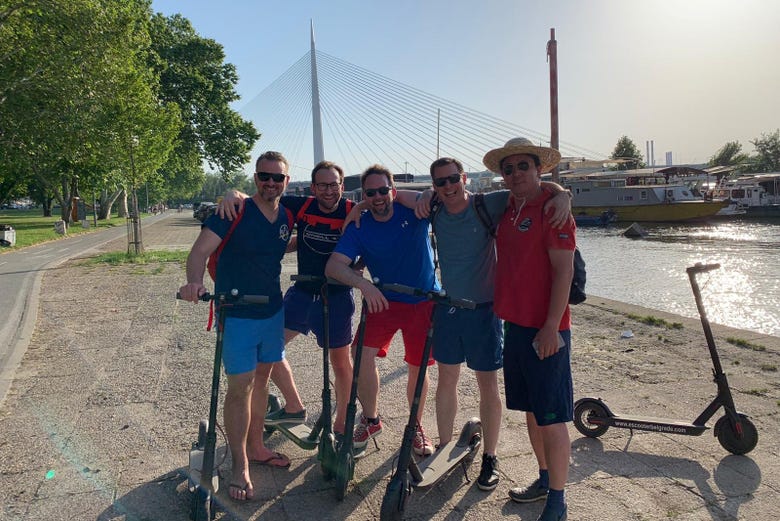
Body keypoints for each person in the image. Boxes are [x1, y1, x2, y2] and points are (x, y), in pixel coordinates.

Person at [377, 158, 570, 491]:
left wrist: (563, 192)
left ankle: (490, 458)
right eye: (440, 182)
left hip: (484, 311)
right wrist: (423, 193)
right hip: (449, 308)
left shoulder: (488, 203)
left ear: (464, 178)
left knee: (487, 384)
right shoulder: (435, 204)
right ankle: (444, 445)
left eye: (453, 179)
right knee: (446, 379)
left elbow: (534, 189)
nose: (448, 186)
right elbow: (394, 193)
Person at [178, 151, 293, 502]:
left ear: (287, 181)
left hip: (273, 311)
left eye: (277, 178)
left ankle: (257, 446)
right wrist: (194, 283)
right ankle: (239, 464)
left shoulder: (287, 214)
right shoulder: (233, 210)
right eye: (264, 176)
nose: (270, 183)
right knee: (239, 387)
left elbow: (274, 248)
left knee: (261, 380)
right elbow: (198, 253)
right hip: (239, 312)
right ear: (255, 178)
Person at [217, 161, 356, 436]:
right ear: (312, 187)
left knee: (340, 362)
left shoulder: (354, 211)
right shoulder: (301, 205)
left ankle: (341, 423)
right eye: (322, 185)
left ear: (342, 186)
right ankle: (294, 406)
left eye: (333, 185)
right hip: (303, 293)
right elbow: (261, 197)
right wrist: (234, 194)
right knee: (269, 350)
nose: (328, 191)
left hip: (337, 296)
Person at [484, 137, 576, 521]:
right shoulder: (507, 206)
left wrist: (552, 327)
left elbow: (564, 271)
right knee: (531, 412)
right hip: (515, 327)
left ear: (538, 169)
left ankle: (558, 499)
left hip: (546, 329)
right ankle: (543, 478)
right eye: (509, 168)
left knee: (552, 417)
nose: (516, 173)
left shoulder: (553, 211)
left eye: (524, 165)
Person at [325, 164, 439, 457]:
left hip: (422, 300)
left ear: (394, 190)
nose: (377, 197)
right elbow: (334, 266)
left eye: (383, 190)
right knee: (360, 355)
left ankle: (414, 426)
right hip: (382, 300)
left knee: (417, 364)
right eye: (370, 192)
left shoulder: (413, 212)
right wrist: (363, 285)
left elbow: (432, 195)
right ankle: (372, 418)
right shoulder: (360, 225)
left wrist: (417, 193)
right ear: (363, 194)